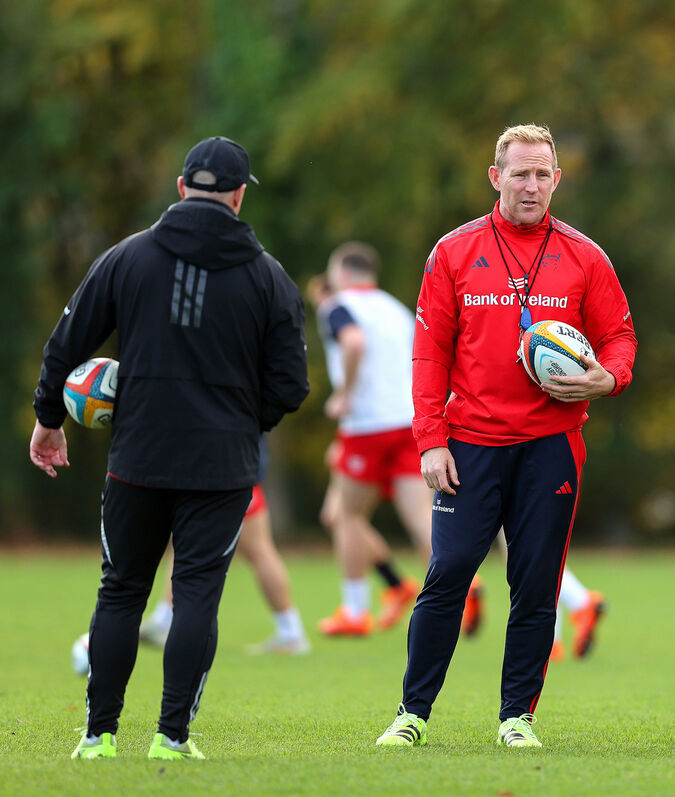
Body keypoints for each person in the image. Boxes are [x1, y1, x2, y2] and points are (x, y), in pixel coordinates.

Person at [30, 136, 308, 760]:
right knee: (197, 593)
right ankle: (171, 738)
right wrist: (242, 420)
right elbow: (291, 386)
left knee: (122, 590)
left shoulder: (127, 258)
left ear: (182, 187)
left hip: (138, 460)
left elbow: (65, 342)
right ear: (239, 196)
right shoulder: (270, 278)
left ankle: (98, 737)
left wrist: (50, 418)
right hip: (222, 467)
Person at [374, 123, 636, 749]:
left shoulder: (584, 256)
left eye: (543, 173)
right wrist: (431, 439)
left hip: (552, 445)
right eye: (520, 173)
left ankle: (516, 717)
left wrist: (608, 378)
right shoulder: (455, 252)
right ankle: (413, 714)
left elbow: (620, 337)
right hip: (470, 445)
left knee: (537, 580)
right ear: (496, 177)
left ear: (557, 178)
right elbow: (428, 355)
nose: (532, 184)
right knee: (450, 571)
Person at [315, 242, 433, 637]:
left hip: (367, 425)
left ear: (343, 273)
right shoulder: (397, 309)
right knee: (421, 519)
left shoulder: (337, 305)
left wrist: (345, 392)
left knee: (345, 516)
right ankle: (452, 595)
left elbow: (353, 342)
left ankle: (354, 611)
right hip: (410, 419)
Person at [139, 437, 311, 656]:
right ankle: (165, 619)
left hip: (229, 465)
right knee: (181, 539)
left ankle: (292, 634)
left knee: (258, 549)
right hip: (224, 462)